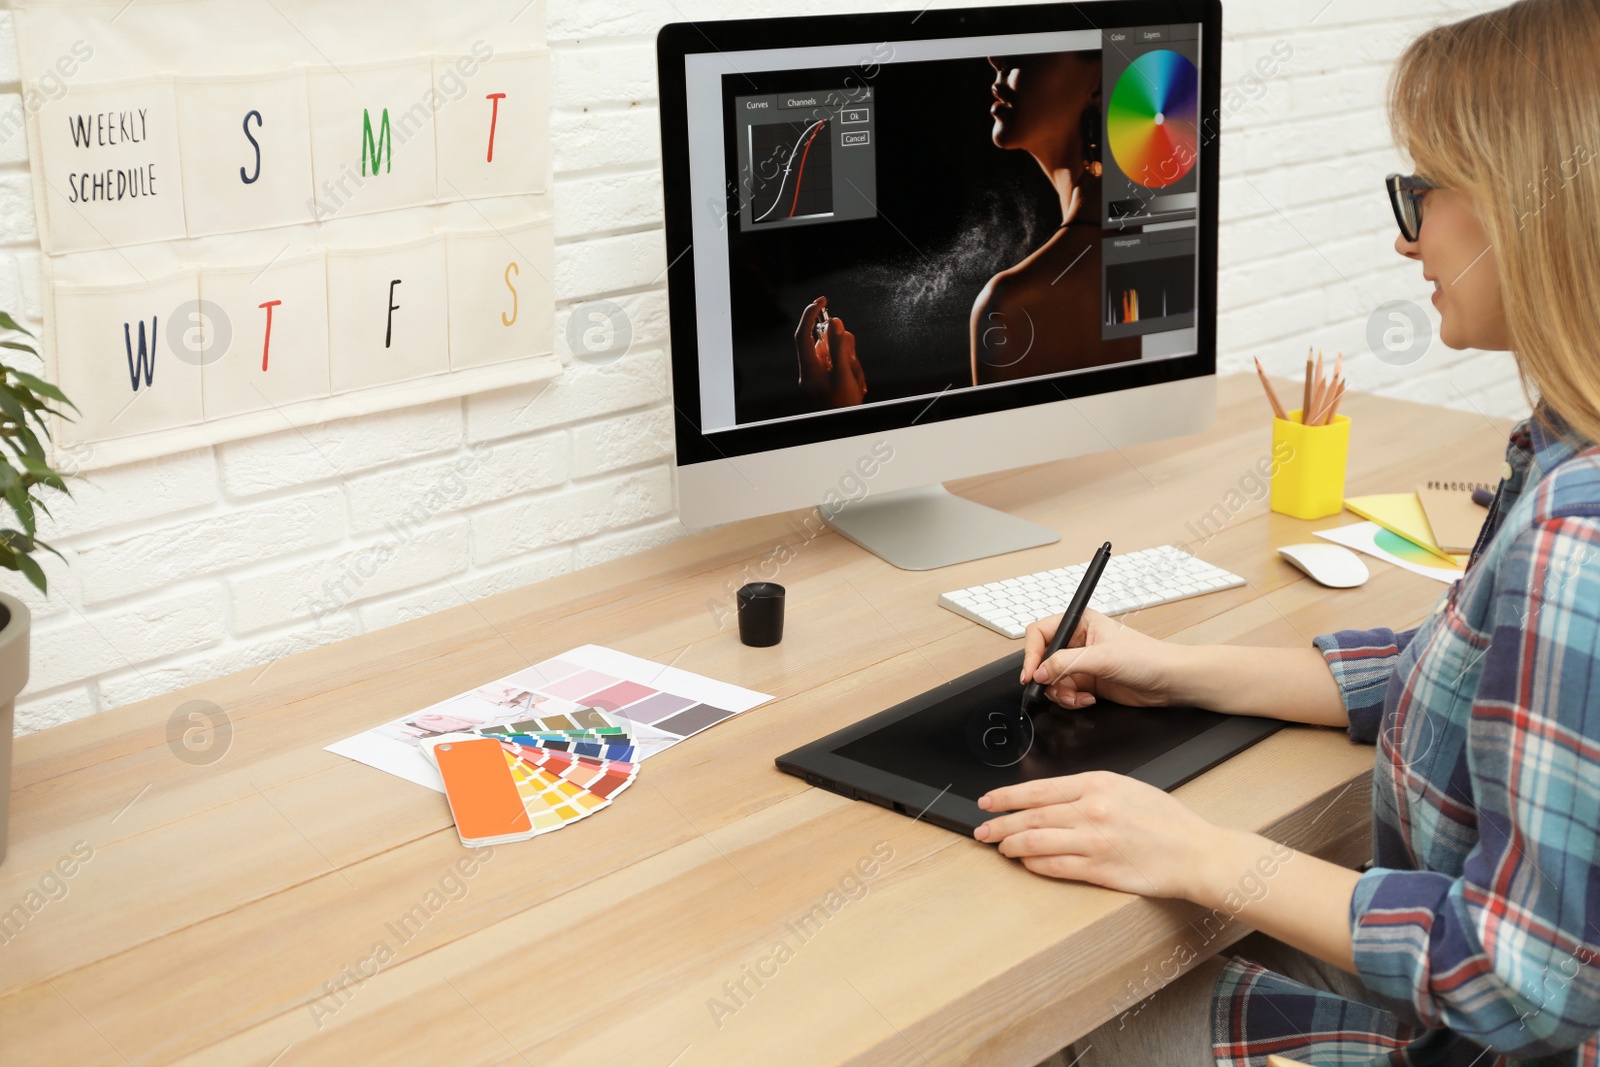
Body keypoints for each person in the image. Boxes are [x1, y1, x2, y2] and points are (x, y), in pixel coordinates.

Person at [981, 2, 1600, 1063]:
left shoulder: (1573, 541)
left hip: (1469, 1039)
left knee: (1031, 1014)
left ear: (1526, 208)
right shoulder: (1557, 451)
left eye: (1423, 192)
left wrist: (1204, 852)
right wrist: (1173, 668)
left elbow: (1521, 977)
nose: (1403, 234)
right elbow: (1449, 673)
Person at [971, 52, 1139, 385]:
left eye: (1033, 35)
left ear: (1103, 78)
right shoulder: (1165, 252)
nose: (997, 58)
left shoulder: (1011, 304)